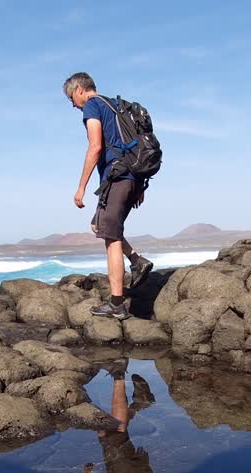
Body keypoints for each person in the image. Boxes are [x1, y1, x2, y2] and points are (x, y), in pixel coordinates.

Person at [64, 72, 155, 320]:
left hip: (118, 176)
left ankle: (117, 305)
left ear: (80, 89)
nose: (72, 104)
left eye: (71, 97)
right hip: (131, 176)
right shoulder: (116, 106)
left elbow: (95, 147)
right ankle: (137, 261)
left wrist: (81, 187)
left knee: (111, 238)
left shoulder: (92, 106)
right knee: (100, 225)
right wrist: (139, 185)